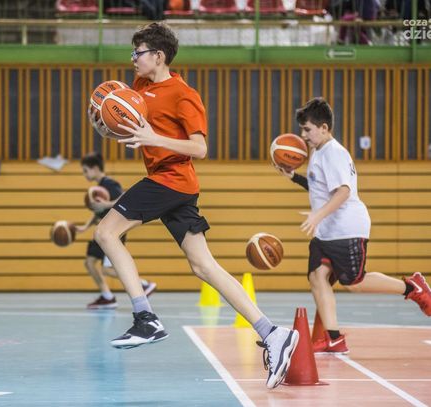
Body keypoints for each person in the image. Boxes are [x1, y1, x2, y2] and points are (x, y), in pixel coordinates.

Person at [89, 22, 298, 389]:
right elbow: (129, 123)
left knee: (106, 233)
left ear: (159, 56)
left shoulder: (184, 95)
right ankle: (273, 333)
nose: (133, 58)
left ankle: (145, 318)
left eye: (138, 52)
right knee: (204, 266)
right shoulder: (138, 87)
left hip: (170, 179)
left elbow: (199, 148)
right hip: (175, 186)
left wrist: (154, 138)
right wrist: (107, 125)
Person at [275, 97, 431, 354]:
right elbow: (319, 187)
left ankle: (412, 287)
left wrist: (317, 215)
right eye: (302, 129)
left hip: (346, 228)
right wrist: (294, 177)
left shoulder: (334, 153)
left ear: (324, 128)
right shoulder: (319, 152)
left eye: (307, 129)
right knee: (317, 276)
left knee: (354, 283)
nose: (303, 135)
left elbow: (343, 191)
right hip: (327, 231)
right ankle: (334, 338)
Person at [76, 152, 157, 309]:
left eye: (85, 170)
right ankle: (107, 297)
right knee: (90, 262)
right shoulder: (99, 188)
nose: (84, 174)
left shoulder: (109, 184)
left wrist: (105, 205)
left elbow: (125, 197)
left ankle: (144, 285)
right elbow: (99, 212)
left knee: (107, 269)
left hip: (113, 232)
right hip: (102, 230)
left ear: (95, 168)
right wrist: (85, 226)